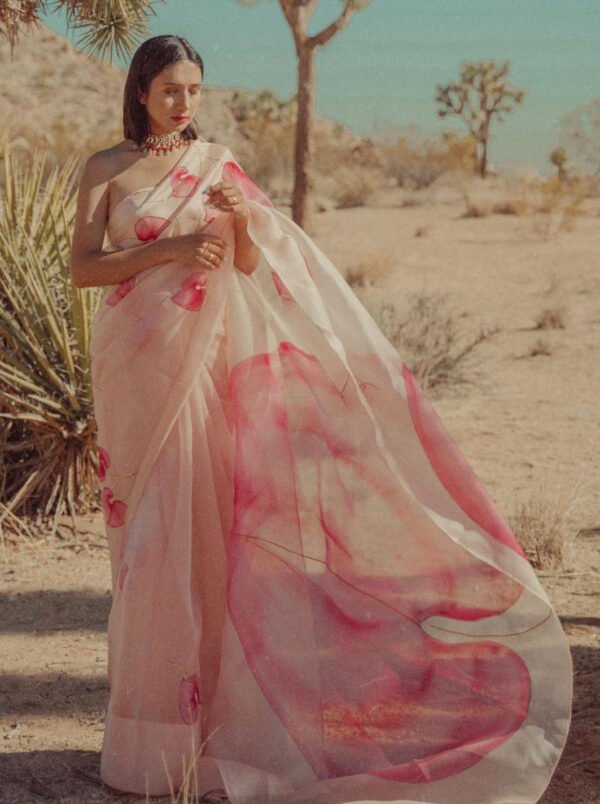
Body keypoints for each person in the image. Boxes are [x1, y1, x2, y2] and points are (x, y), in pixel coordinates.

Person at [70, 33, 572, 804]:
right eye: (171, 89)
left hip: (202, 369)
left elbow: (245, 266)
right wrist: (166, 247)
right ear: (140, 90)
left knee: (201, 536)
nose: (184, 104)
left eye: (194, 91)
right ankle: (144, 744)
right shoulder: (105, 168)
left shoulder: (216, 165)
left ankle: (205, 738)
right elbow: (83, 268)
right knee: (144, 548)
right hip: (135, 369)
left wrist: (237, 224)